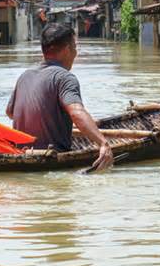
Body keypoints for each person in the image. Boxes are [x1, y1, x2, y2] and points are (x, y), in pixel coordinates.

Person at [6, 23, 114, 171]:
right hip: (51, 158)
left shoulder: (25, 75)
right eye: (75, 47)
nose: (76, 53)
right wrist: (103, 144)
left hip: (19, 153)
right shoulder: (65, 77)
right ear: (67, 50)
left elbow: (10, 113)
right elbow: (76, 113)